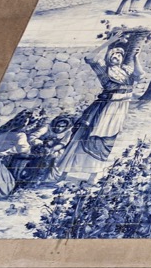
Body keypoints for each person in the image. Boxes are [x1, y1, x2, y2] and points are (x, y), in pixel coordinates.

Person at [53, 43, 142, 182]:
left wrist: (136, 57)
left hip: (119, 111)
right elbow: (89, 57)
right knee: (85, 137)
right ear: (108, 57)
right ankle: (64, 172)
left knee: (106, 142)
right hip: (103, 109)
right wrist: (110, 41)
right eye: (113, 54)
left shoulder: (125, 71)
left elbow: (139, 75)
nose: (116, 57)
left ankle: (93, 175)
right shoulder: (104, 70)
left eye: (119, 55)